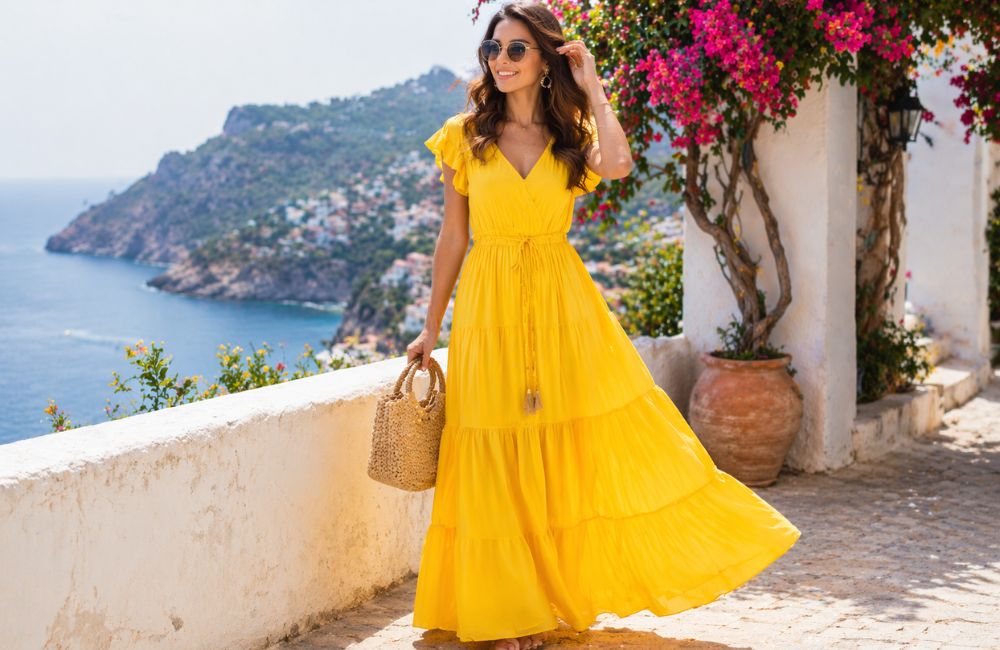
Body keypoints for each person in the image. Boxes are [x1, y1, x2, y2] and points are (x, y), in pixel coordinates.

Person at [407, 3, 802, 649]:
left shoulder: (569, 138)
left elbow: (617, 164)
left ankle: (547, 597)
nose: (499, 63)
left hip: (563, 308)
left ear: (545, 60)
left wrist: (593, 86)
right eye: (493, 50)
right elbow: (452, 238)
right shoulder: (465, 134)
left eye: (515, 51)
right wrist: (431, 328)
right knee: (495, 451)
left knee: (562, 452)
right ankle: (505, 609)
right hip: (489, 307)